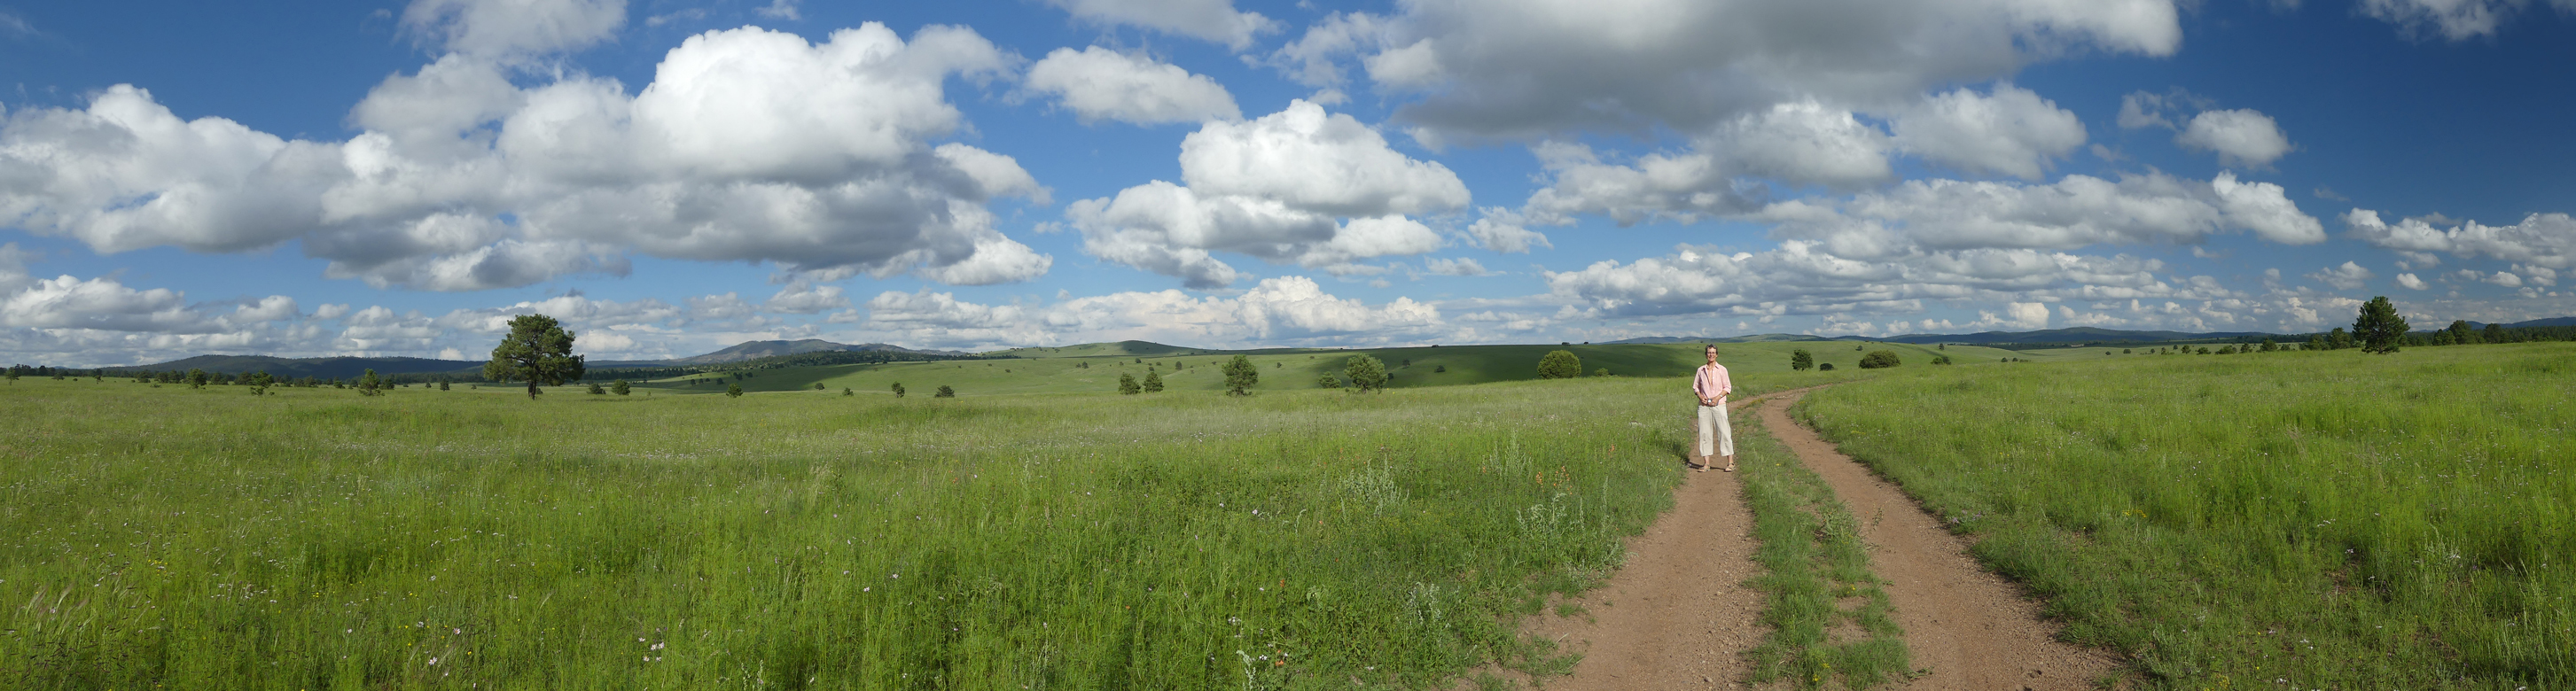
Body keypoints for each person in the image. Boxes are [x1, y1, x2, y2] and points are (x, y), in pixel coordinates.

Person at [1691, 344, 1735, 472]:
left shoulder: (1722, 370)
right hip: (1704, 407)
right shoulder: (1701, 370)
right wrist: (1700, 396)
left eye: (1713, 352)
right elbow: (1695, 387)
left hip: (1719, 405)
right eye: (1709, 352)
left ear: (1717, 354)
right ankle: (1706, 464)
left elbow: (1727, 387)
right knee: (1704, 433)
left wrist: (1717, 398)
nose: (1711, 354)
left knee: (1724, 432)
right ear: (1706, 354)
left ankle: (1730, 462)